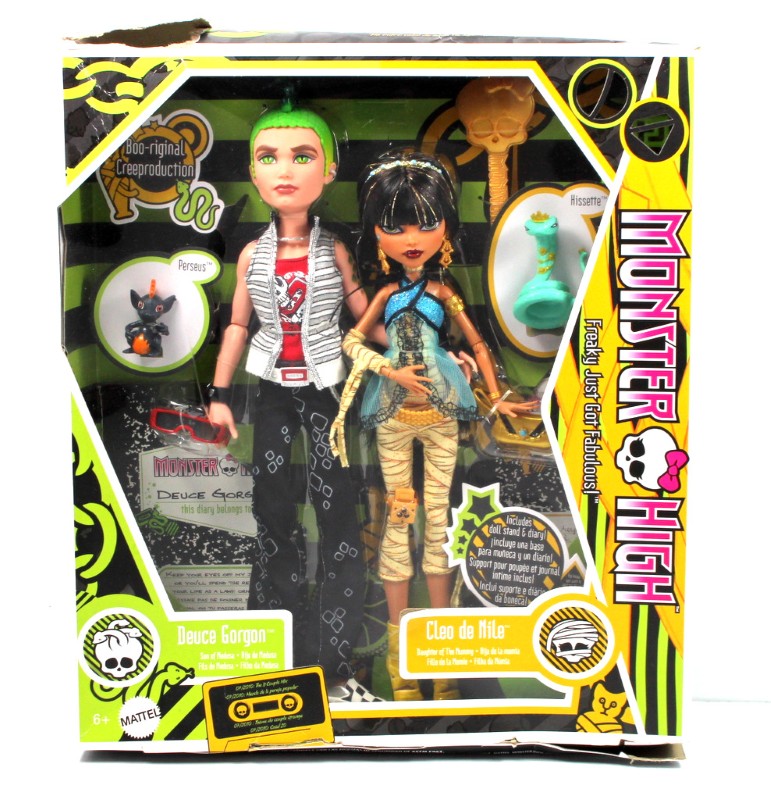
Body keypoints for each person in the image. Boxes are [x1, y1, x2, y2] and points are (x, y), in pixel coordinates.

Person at [330, 152, 538, 701]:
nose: (411, 238)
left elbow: (477, 344)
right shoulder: (384, 294)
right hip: (394, 414)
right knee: (399, 521)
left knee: (440, 523)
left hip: (444, 411)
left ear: (445, 228)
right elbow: (353, 341)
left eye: (425, 224)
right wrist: (389, 369)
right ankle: (400, 663)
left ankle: (442, 658)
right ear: (377, 235)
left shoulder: (444, 292)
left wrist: (499, 399)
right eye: (395, 227)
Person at [206, 101, 379, 702]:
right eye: (268, 157)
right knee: (273, 511)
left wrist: (423, 351)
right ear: (252, 173)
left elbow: (364, 317)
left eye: (302, 157)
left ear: (328, 170)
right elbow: (237, 326)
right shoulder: (252, 255)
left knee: (337, 515)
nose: (284, 170)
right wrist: (220, 395)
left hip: (328, 390)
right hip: (273, 391)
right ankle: (276, 648)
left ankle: (334, 661)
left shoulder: (334, 250)